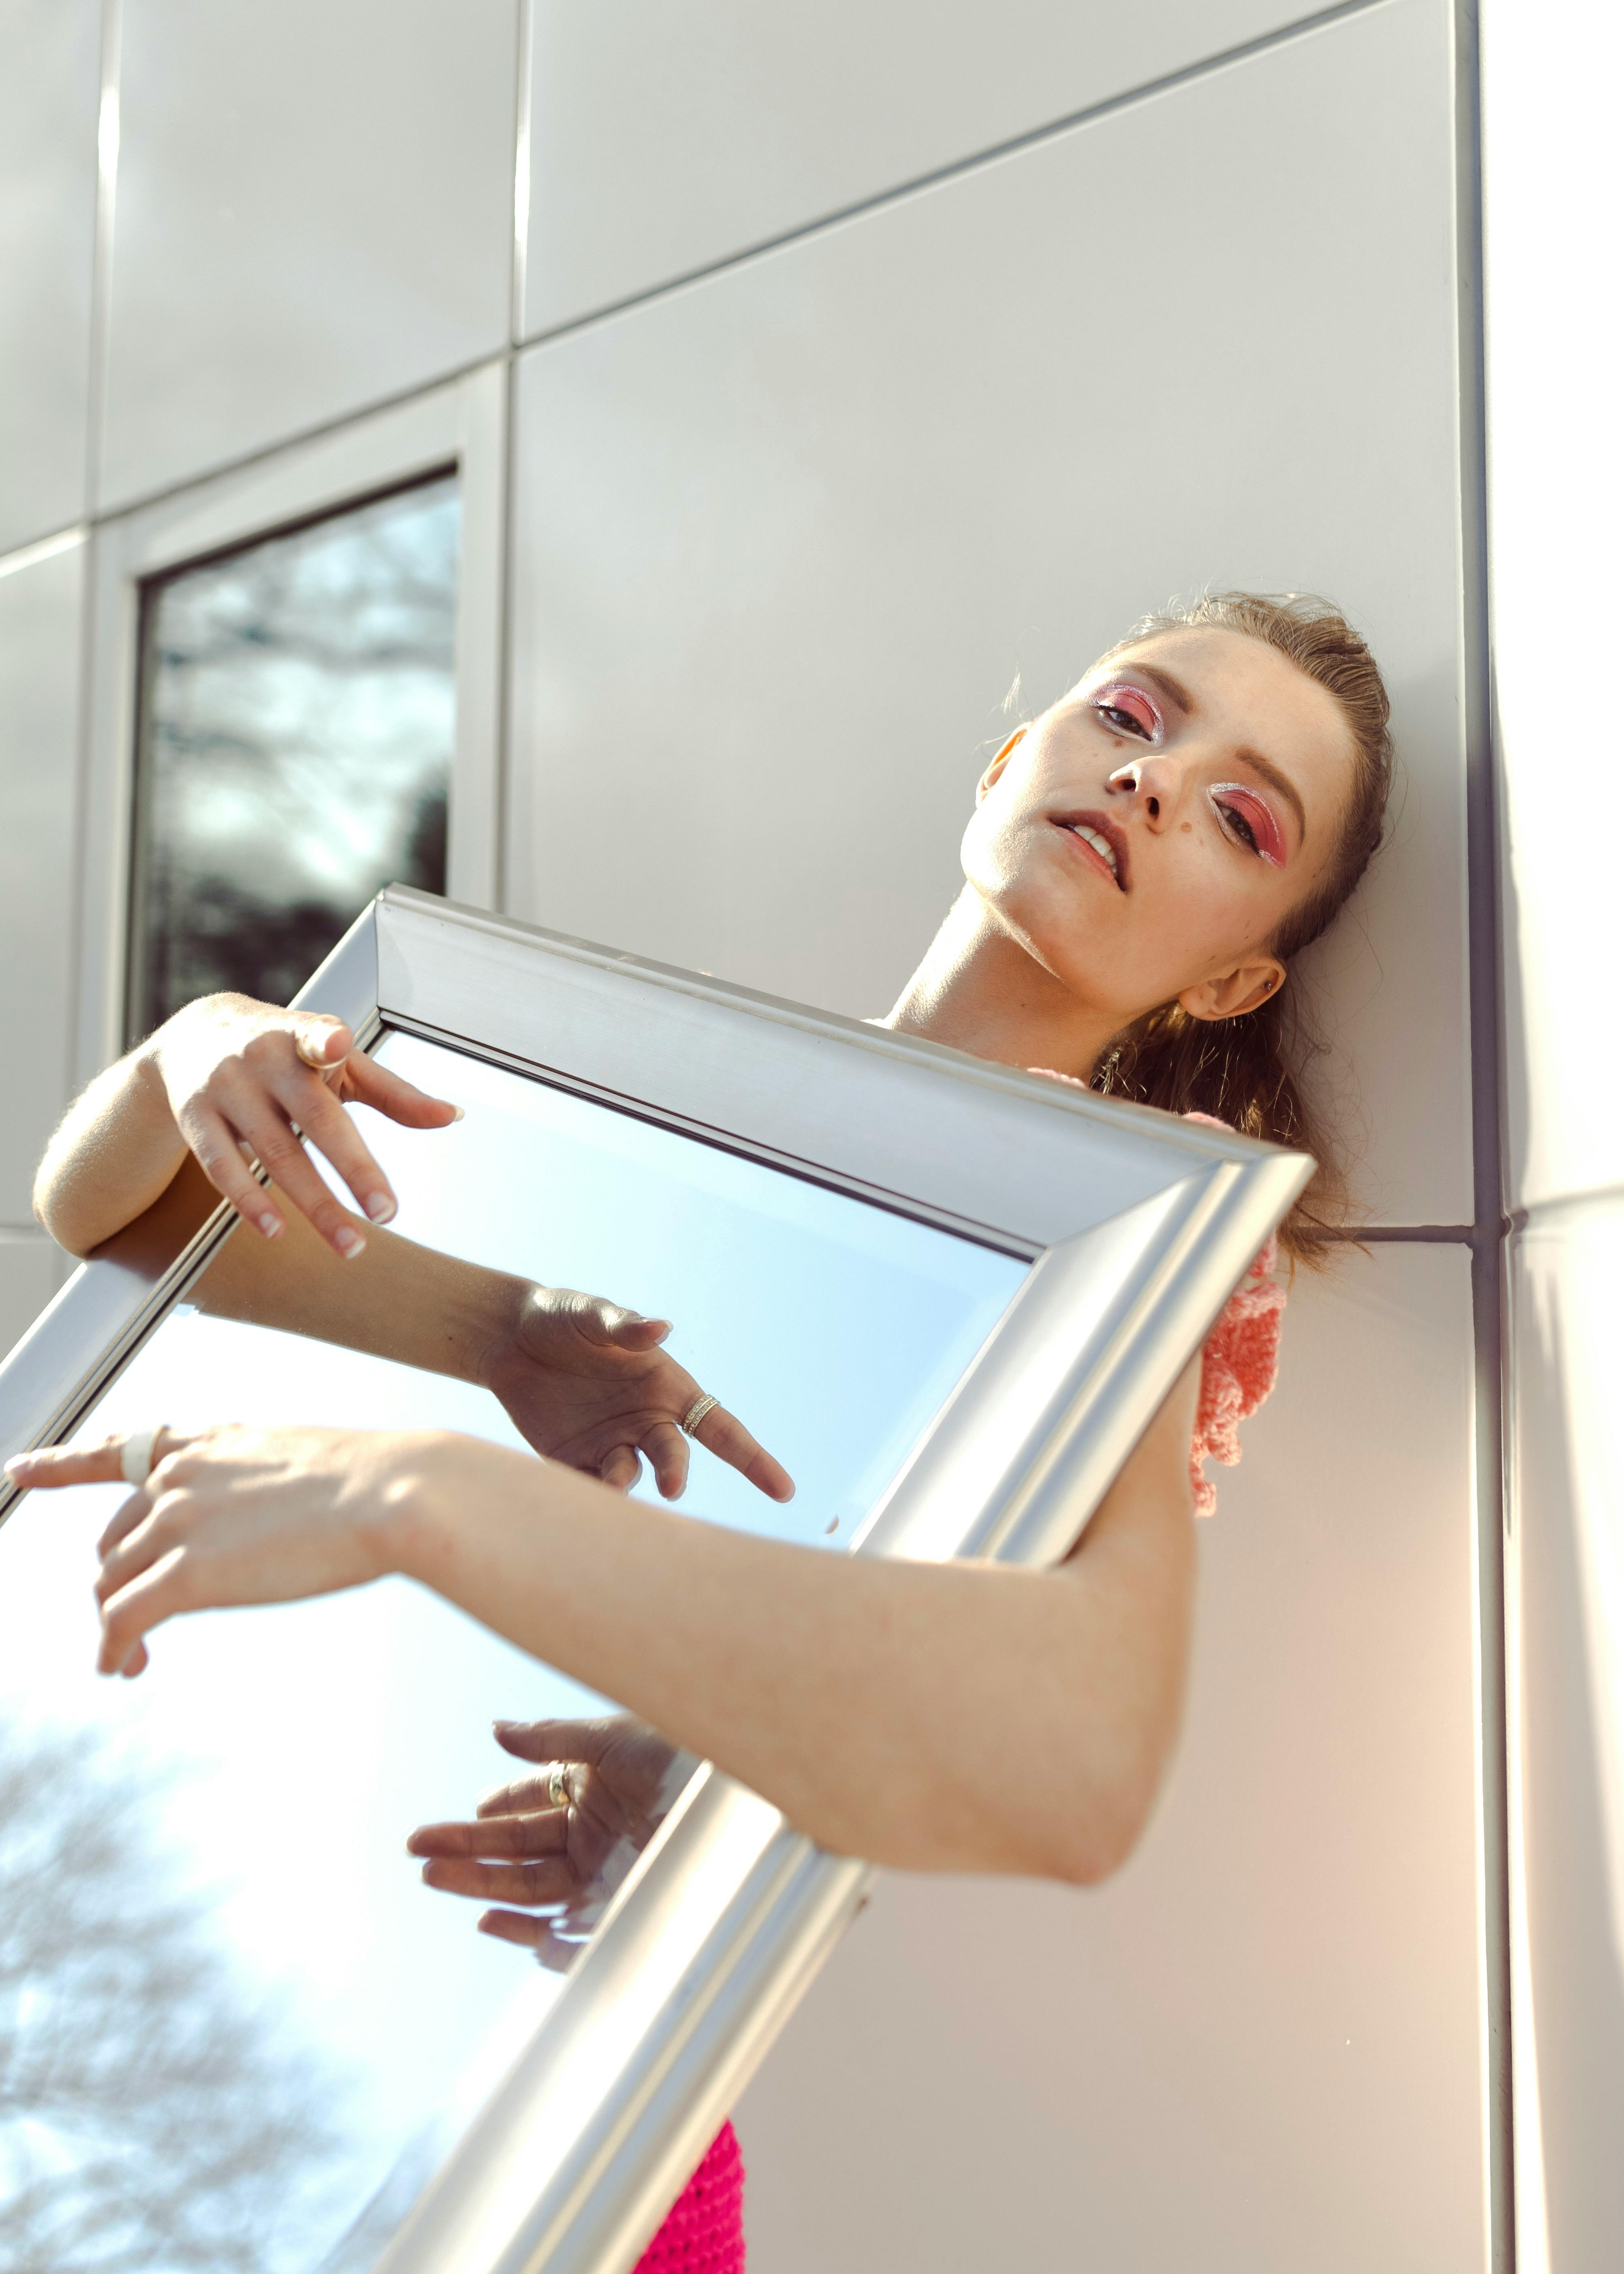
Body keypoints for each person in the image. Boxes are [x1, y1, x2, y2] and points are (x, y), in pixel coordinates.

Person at [12, 591, 1393, 2270]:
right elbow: (123, 1221)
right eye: (1127, 714)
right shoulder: (656, 1110)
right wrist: (209, 1052)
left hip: (555, 2141)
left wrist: (432, 1499)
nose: (1156, 779)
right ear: (1004, 762)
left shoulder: (1103, 1252)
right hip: (228, 2041)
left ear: (1239, 972)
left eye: (1242, 814)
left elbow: (1086, 1758)